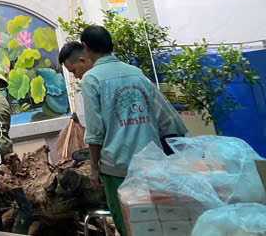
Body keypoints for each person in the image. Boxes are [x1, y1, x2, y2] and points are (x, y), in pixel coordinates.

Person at [78, 25, 186, 236]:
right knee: (155, 223)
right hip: (151, 163)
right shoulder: (137, 74)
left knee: (128, 223)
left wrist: (94, 169)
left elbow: (95, 130)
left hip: (118, 167)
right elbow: (167, 118)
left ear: (86, 48)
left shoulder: (92, 79)